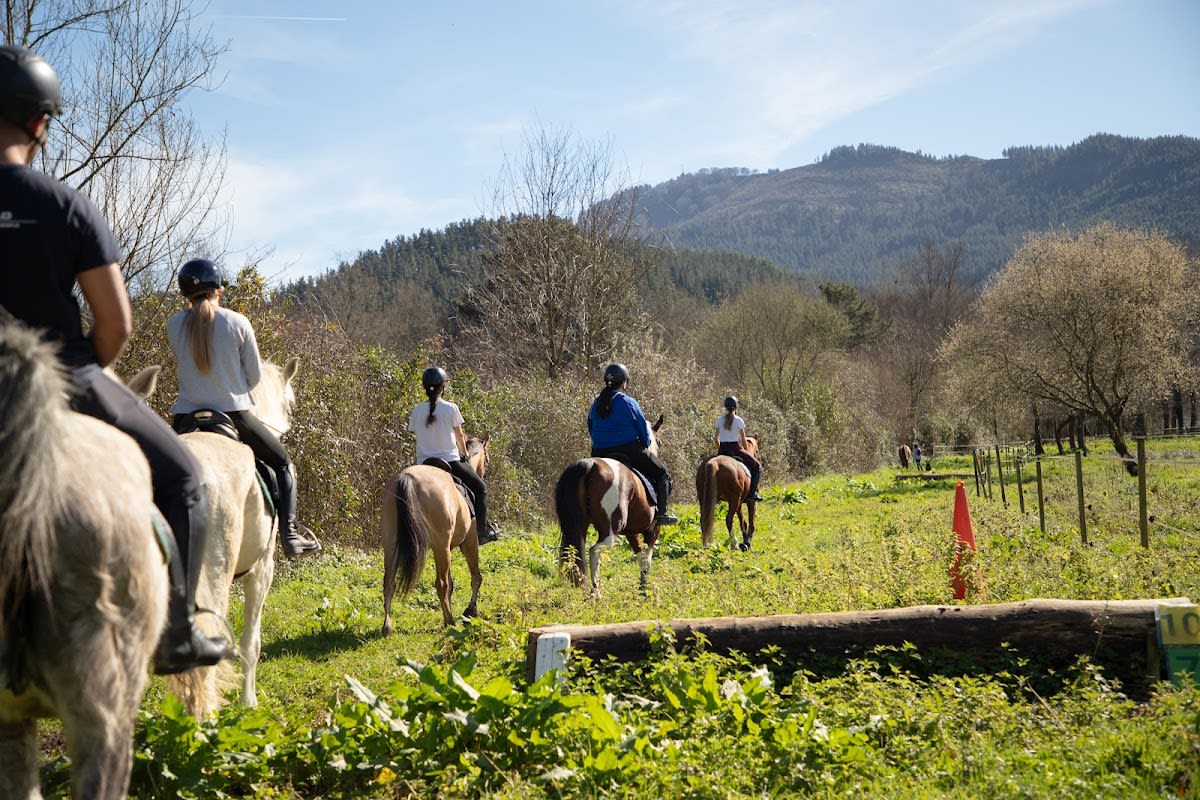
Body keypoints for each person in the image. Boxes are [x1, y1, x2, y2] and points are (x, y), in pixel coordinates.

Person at [0, 45, 233, 674]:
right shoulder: (64, 205)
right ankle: (175, 633)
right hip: (67, 378)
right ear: (40, 124)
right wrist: (86, 373)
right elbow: (115, 322)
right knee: (184, 476)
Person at [167, 258, 320, 558]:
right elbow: (254, 377)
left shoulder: (173, 325)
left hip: (185, 418)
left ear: (185, 293)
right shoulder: (237, 323)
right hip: (234, 416)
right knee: (284, 463)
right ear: (219, 290)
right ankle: (289, 536)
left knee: (157, 469)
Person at [407, 367, 499, 543]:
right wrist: (463, 454)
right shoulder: (451, 408)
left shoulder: (417, 409)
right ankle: (482, 531)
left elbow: (415, 432)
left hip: (423, 463)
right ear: (443, 387)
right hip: (450, 461)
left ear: (425, 388)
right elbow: (459, 436)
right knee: (480, 489)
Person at [587, 363, 678, 526]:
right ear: (624, 382)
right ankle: (662, 514)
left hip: (598, 451)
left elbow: (590, 426)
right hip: (628, 449)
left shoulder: (596, 403)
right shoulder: (627, 401)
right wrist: (645, 442)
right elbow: (642, 429)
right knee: (662, 473)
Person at [714, 395, 763, 501]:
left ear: (725, 407)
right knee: (758, 467)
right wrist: (745, 450)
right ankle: (752, 494)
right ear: (736, 407)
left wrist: (720, 449)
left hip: (722, 449)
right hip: (735, 449)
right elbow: (743, 439)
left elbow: (716, 438)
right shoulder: (739, 420)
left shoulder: (719, 420)